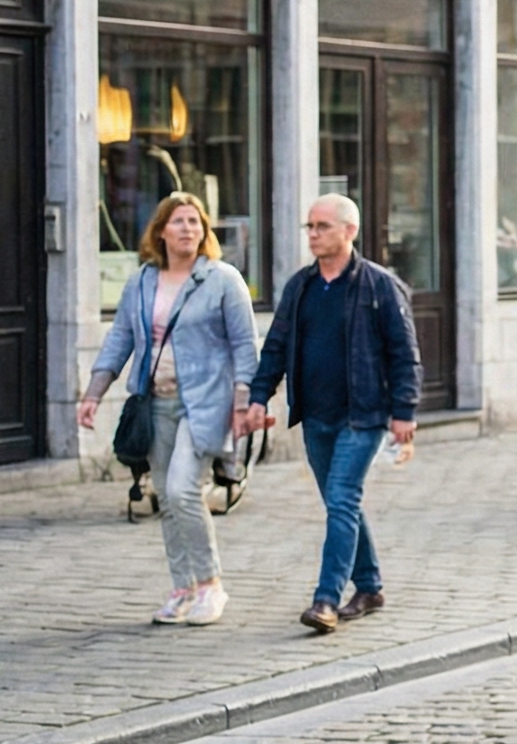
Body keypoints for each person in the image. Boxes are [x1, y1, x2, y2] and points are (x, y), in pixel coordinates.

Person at [238, 194, 420, 634]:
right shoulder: (300, 286)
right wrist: (259, 397)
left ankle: (325, 599)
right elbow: (277, 346)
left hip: (364, 415)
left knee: (341, 499)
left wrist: (404, 411)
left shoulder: (379, 286)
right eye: (310, 227)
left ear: (349, 231)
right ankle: (371, 585)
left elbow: (404, 353)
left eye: (322, 226)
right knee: (342, 504)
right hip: (315, 415)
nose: (314, 234)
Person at [80, 192, 257, 626]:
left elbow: (245, 346)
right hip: (154, 400)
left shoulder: (222, 279)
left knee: (182, 489)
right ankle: (183, 588)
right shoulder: (142, 281)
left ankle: (211, 585)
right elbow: (120, 338)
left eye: (195, 222)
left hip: (204, 402)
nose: (188, 229)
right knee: (166, 496)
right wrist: (93, 395)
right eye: (179, 221)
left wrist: (243, 402)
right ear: (160, 230)